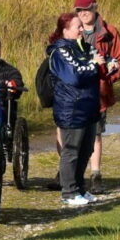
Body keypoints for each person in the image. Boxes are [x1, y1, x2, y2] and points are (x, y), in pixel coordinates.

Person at [47, 12, 105, 207]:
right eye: (77, 27)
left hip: (89, 107)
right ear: (65, 31)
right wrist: (93, 66)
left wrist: (104, 64)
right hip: (71, 110)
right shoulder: (60, 52)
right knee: (71, 151)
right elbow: (75, 76)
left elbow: (103, 63)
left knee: (86, 149)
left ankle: (80, 188)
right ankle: (69, 192)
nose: (82, 30)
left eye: (81, 26)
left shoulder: (85, 48)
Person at [72, 0, 120, 187]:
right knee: (70, 133)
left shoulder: (109, 32)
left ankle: (95, 175)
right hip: (72, 92)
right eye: (79, 10)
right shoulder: (71, 30)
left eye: (86, 9)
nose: (83, 13)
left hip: (98, 93)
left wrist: (108, 78)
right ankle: (66, 173)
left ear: (95, 7)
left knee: (94, 134)